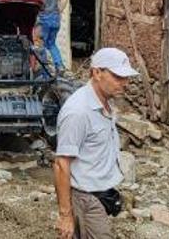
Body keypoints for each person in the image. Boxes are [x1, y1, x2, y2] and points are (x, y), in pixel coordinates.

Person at [54, 48, 138, 239]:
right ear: (97, 72)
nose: (124, 83)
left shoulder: (105, 102)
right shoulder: (78, 112)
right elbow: (61, 164)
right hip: (85, 196)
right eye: (117, 76)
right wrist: (65, 215)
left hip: (99, 192)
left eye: (126, 77)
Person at [29, 0, 67, 75]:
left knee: (40, 46)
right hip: (55, 19)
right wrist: (59, 10)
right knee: (51, 44)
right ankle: (59, 66)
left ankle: (45, 74)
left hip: (43, 19)